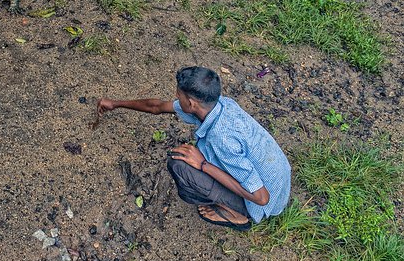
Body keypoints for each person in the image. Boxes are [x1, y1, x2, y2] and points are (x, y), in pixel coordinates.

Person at [97, 66, 291, 231]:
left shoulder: (222, 138)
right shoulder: (219, 104)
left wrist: (203, 164)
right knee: (194, 155)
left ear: (191, 103)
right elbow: (156, 107)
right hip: (278, 180)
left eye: (178, 95)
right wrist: (115, 103)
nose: (175, 97)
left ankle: (238, 216)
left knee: (179, 164)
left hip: (263, 201)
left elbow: (261, 197)